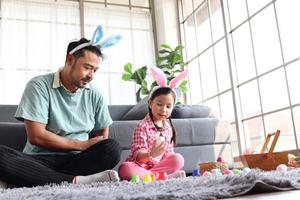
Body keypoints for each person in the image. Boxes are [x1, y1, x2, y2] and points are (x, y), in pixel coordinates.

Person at [0, 25, 122, 187]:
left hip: (79, 160)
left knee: (112, 148)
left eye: (95, 70)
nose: (91, 75)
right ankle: (73, 181)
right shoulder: (39, 85)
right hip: (40, 159)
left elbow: (103, 136)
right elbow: (36, 137)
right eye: (87, 67)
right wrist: (82, 145)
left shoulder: (95, 93)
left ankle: (33, 179)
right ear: (70, 60)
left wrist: (89, 149)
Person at [118, 67, 188, 181]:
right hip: (140, 166)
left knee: (178, 159)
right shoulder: (142, 126)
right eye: (159, 104)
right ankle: (158, 176)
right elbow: (138, 156)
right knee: (125, 168)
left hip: (158, 167)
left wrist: (168, 161)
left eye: (168, 106)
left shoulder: (168, 129)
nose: (163, 110)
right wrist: (151, 154)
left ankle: (151, 176)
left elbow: (169, 154)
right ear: (150, 103)